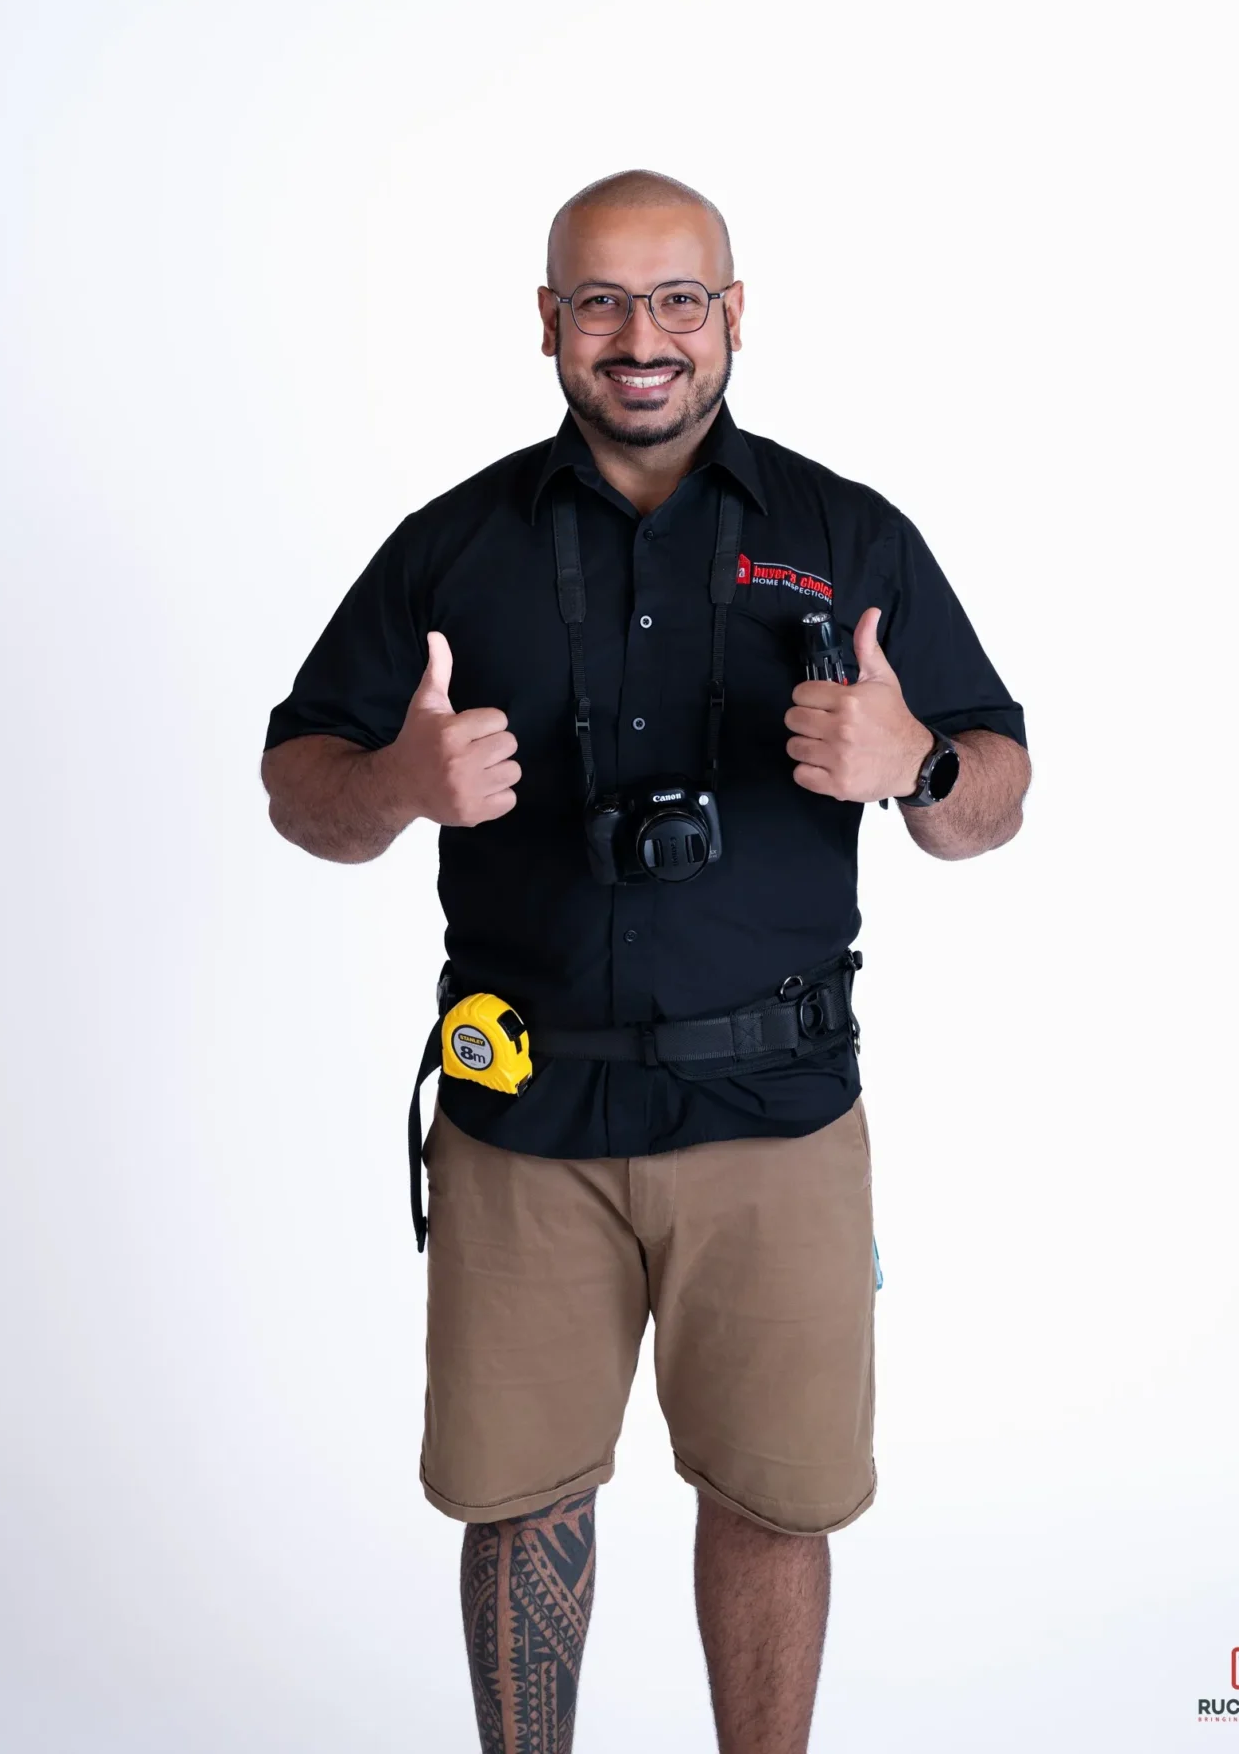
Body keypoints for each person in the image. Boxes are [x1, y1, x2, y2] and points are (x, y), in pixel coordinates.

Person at [260, 169, 1031, 1754]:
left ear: (733, 314)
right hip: (522, 1122)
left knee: (773, 1499)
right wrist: (397, 782)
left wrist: (922, 765)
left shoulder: (849, 534)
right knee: (521, 1502)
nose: (642, 338)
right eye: (602, 302)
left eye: (679, 299)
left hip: (778, 1118)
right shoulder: (452, 547)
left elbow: (996, 799)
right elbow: (297, 786)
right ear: (549, 321)